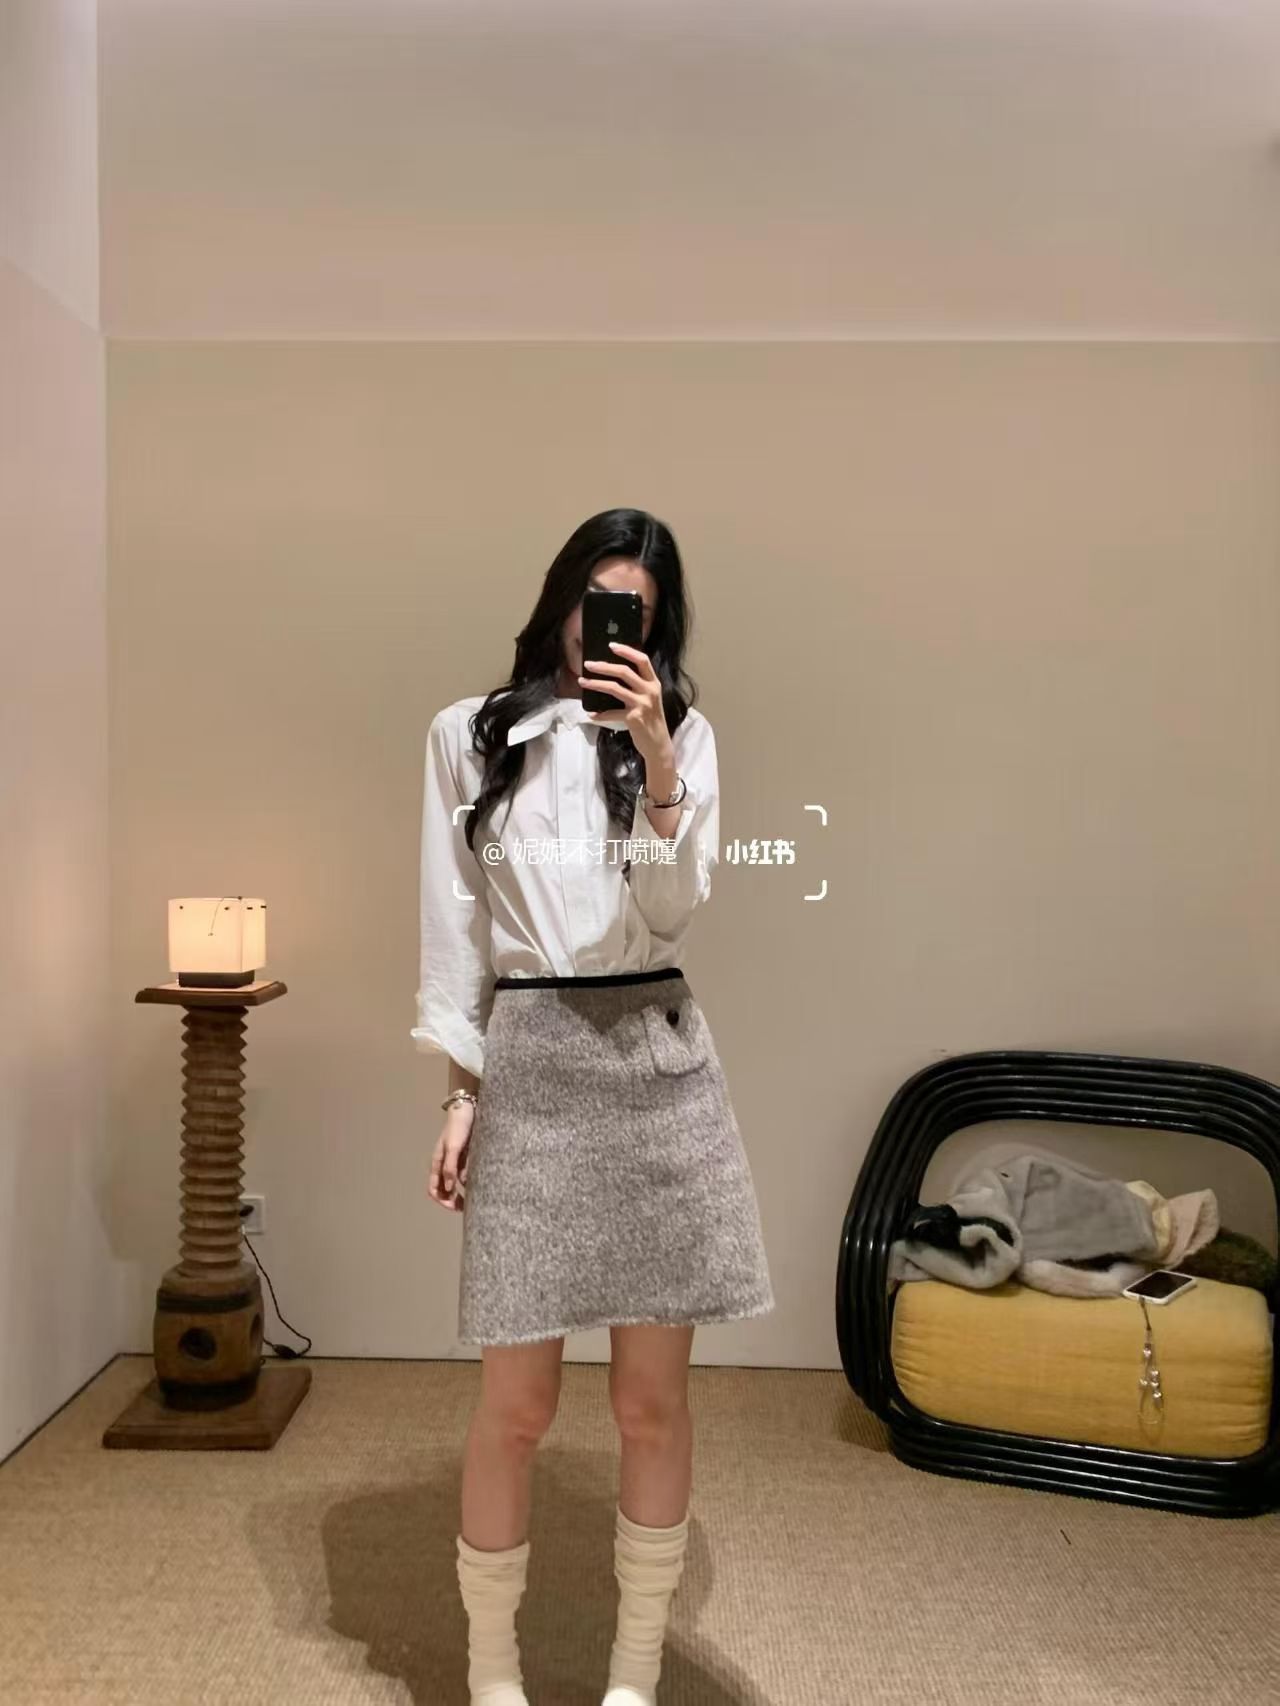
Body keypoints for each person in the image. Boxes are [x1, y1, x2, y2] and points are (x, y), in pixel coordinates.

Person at [413, 507, 774, 1706]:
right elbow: (453, 928)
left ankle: (631, 1674)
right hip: (531, 1062)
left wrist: (659, 763)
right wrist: (460, 1090)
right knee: (514, 1405)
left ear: (656, 629)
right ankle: (491, 1670)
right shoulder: (468, 735)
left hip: (654, 1060)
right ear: (559, 594)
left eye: (637, 612)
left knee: (648, 1402)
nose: (607, 626)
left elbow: (671, 912)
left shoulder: (683, 736)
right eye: (595, 598)